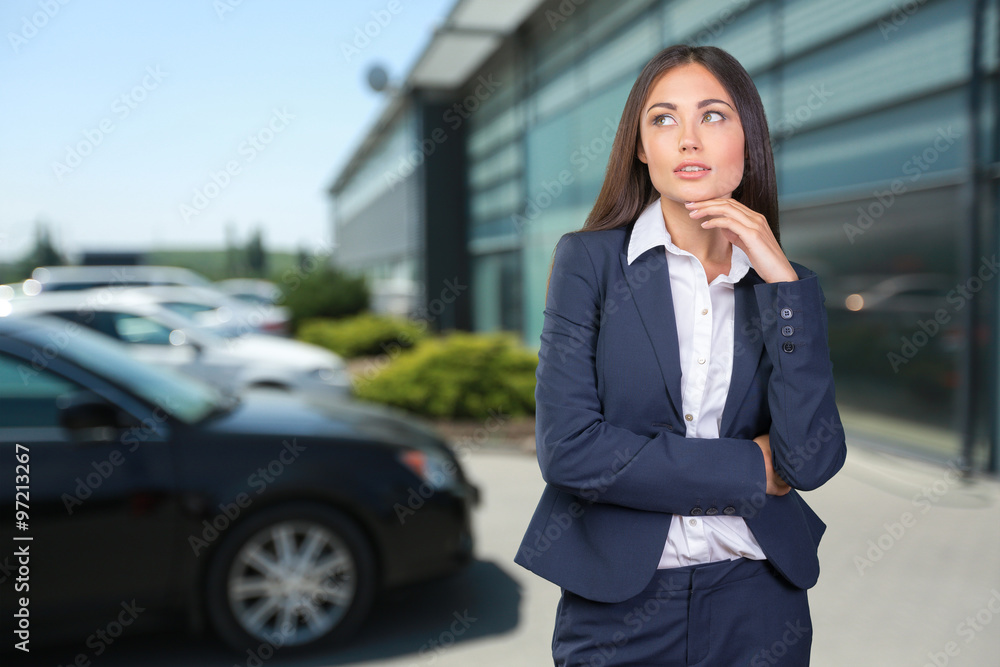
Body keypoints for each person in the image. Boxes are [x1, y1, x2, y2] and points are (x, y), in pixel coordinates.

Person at [515, 44, 847, 666]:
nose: (688, 139)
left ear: (747, 138)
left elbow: (813, 460)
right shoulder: (588, 262)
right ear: (641, 147)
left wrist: (783, 288)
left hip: (760, 601)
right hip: (619, 607)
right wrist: (753, 471)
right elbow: (569, 449)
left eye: (714, 116)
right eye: (663, 119)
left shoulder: (788, 286)